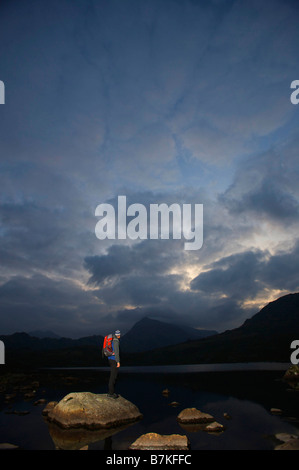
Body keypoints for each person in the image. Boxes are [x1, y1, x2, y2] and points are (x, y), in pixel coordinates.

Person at [106, 330, 121, 399]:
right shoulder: (116, 341)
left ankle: (110, 392)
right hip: (114, 360)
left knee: (112, 376)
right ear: (118, 335)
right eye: (120, 334)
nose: (120, 336)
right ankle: (111, 393)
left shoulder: (111, 340)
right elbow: (117, 352)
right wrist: (118, 361)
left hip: (110, 359)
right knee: (113, 377)